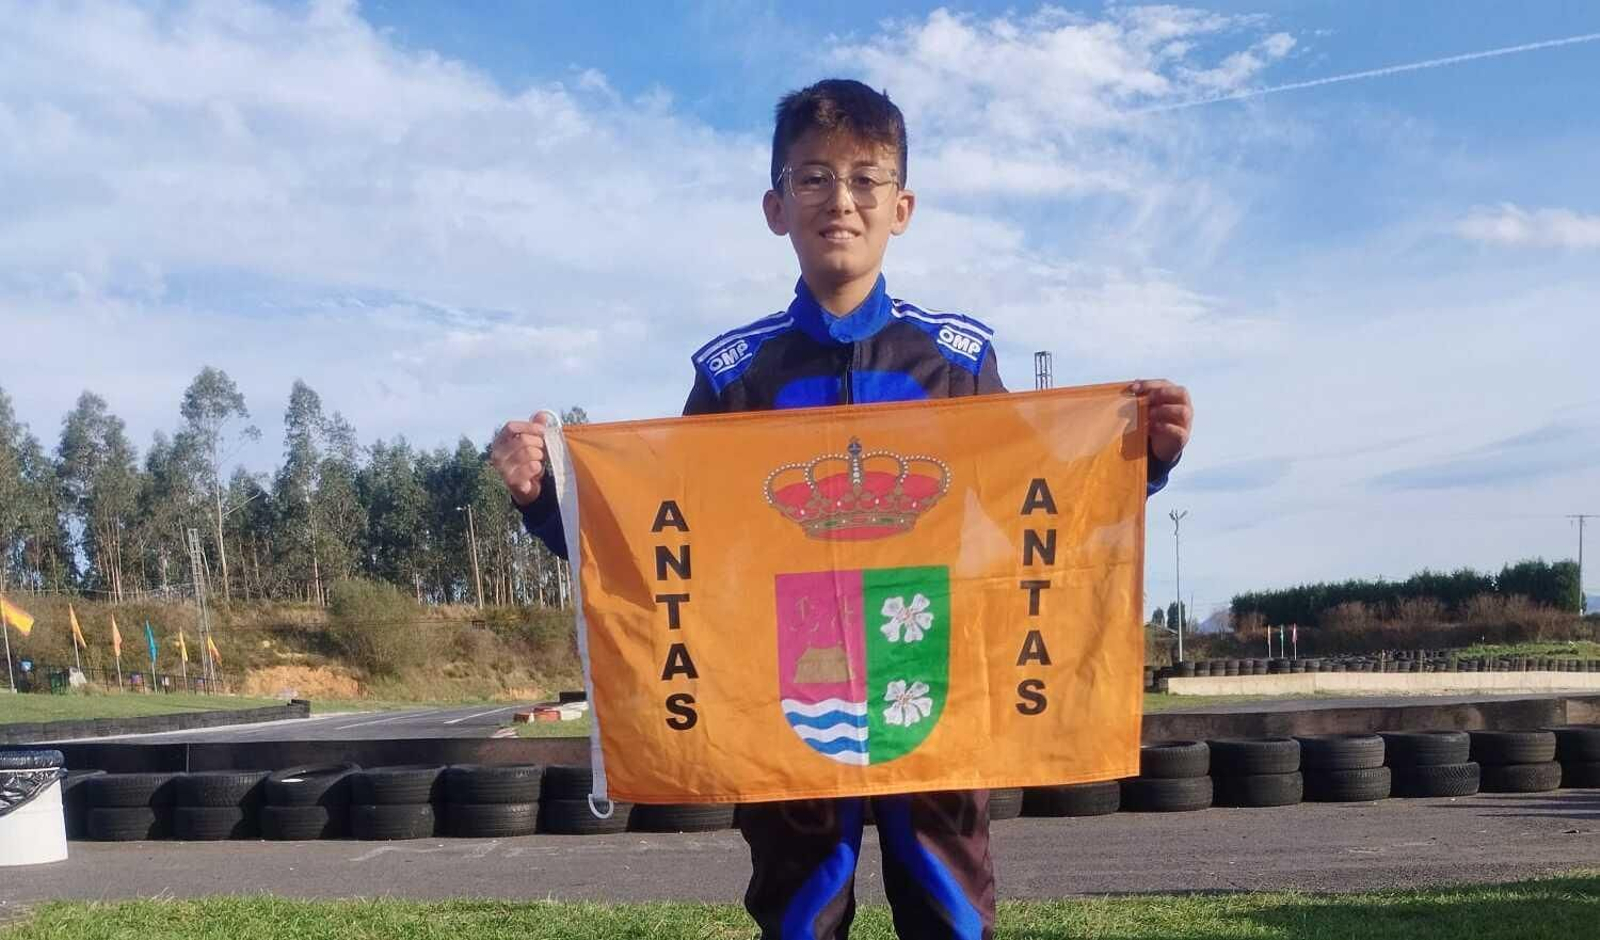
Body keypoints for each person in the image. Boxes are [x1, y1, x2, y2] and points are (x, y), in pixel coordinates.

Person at [493, 78, 1194, 940]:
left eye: (866, 179)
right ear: (775, 206)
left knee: (948, 913)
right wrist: (543, 497)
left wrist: (1141, 461)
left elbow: (1035, 512)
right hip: (784, 691)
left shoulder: (956, 364)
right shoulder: (734, 377)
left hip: (933, 681)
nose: (841, 200)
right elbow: (657, 540)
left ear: (902, 207)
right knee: (801, 915)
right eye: (815, 177)